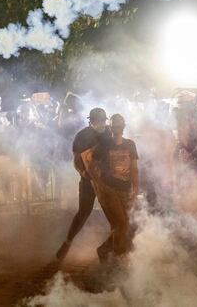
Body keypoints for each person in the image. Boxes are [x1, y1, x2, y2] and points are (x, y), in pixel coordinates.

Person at [81, 114, 139, 263]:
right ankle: (120, 259)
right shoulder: (104, 145)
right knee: (122, 224)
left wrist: (136, 188)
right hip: (110, 191)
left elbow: (134, 169)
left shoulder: (130, 144)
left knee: (121, 226)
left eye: (120, 124)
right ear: (110, 127)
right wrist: (99, 184)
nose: (117, 127)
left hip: (125, 190)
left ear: (124, 126)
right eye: (114, 124)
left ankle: (105, 250)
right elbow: (88, 160)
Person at [55, 107, 110, 261]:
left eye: (103, 121)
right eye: (98, 121)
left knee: (113, 212)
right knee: (84, 212)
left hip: (106, 180)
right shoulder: (83, 136)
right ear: (90, 121)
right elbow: (77, 159)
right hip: (88, 180)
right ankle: (67, 242)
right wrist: (84, 173)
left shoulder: (108, 133)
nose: (101, 124)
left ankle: (108, 247)